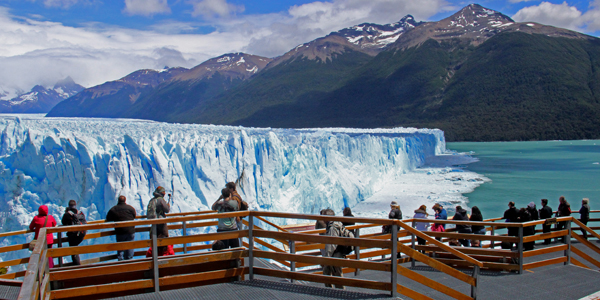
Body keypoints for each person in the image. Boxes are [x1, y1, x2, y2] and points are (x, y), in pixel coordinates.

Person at [321, 208, 353, 289]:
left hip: (335, 254)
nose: (322, 219)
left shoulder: (332, 228)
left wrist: (326, 259)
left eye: (324, 217)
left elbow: (331, 245)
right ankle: (336, 292)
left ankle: (338, 293)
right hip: (338, 252)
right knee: (335, 274)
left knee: (333, 274)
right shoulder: (337, 223)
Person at [106, 195, 137, 260]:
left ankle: (121, 262)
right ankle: (129, 261)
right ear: (125, 200)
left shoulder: (113, 209)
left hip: (120, 231)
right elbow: (134, 216)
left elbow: (108, 218)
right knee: (130, 245)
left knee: (120, 246)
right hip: (130, 230)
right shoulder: (130, 208)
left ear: (118, 201)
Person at [61, 200, 87, 265]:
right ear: (75, 205)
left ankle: (77, 266)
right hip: (81, 234)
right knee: (75, 248)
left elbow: (63, 222)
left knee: (73, 250)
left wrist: (66, 212)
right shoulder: (80, 213)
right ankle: (77, 264)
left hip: (73, 235)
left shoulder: (67, 214)